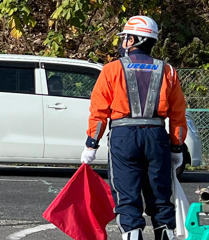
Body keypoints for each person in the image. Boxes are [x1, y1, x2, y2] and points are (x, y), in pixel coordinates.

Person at [80, 16, 187, 240]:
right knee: (160, 196)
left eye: (127, 38)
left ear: (135, 40)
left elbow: (99, 112)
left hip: (124, 136)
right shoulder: (167, 71)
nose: (124, 42)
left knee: (127, 196)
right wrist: (177, 146)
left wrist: (92, 143)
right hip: (157, 136)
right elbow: (178, 114)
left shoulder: (111, 70)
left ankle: (132, 234)